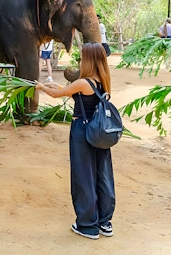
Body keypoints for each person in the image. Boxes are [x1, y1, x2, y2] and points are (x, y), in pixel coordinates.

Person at [35, 43, 115, 240]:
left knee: (83, 176)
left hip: (83, 132)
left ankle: (88, 225)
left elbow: (56, 95)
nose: (80, 59)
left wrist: (42, 87)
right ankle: (104, 221)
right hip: (99, 131)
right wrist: (61, 88)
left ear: (89, 60)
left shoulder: (83, 82)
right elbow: (82, 98)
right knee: (101, 174)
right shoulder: (102, 80)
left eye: (82, 56)